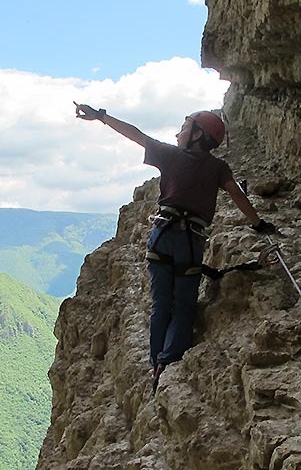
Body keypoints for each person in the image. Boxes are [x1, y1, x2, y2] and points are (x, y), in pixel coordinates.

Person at [74, 102, 275, 393]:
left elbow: (135, 135)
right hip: (190, 243)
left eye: (184, 127)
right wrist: (258, 224)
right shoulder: (218, 168)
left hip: (162, 236)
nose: (179, 132)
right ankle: (169, 361)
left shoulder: (171, 156)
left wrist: (101, 117)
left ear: (196, 135)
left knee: (161, 304)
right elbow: (237, 194)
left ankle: (156, 363)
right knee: (183, 306)